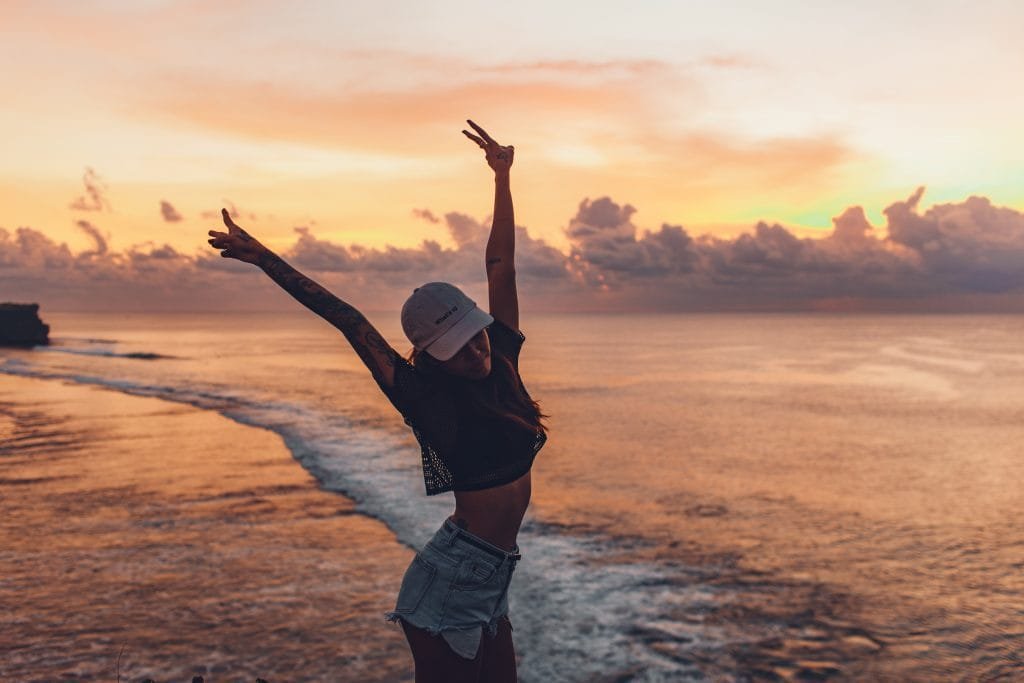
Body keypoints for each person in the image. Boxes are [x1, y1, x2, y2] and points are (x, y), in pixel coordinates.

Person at [207, 120, 547, 682]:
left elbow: (500, 267)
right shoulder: (426, 400)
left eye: (477, 334)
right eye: (458, 348)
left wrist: (503, 175)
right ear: (432, 357)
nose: (476, 351)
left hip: (493, 579)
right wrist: (263, 258)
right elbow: (346, 318)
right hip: (449, 586)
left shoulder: (503, 360)